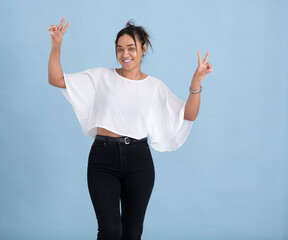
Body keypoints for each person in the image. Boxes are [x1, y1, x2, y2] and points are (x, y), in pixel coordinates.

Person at [48, 17, 213, 240]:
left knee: (132, 233)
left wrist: (196, 82)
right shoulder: (101, 76)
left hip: (139, 162)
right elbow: (56, 79)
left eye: (131, 48)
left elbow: (189, 114)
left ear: (143, 49)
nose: (125, 54)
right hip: (103, 159)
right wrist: (56, 46)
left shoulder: (155, 87)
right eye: (120, 49)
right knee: (110, 231)